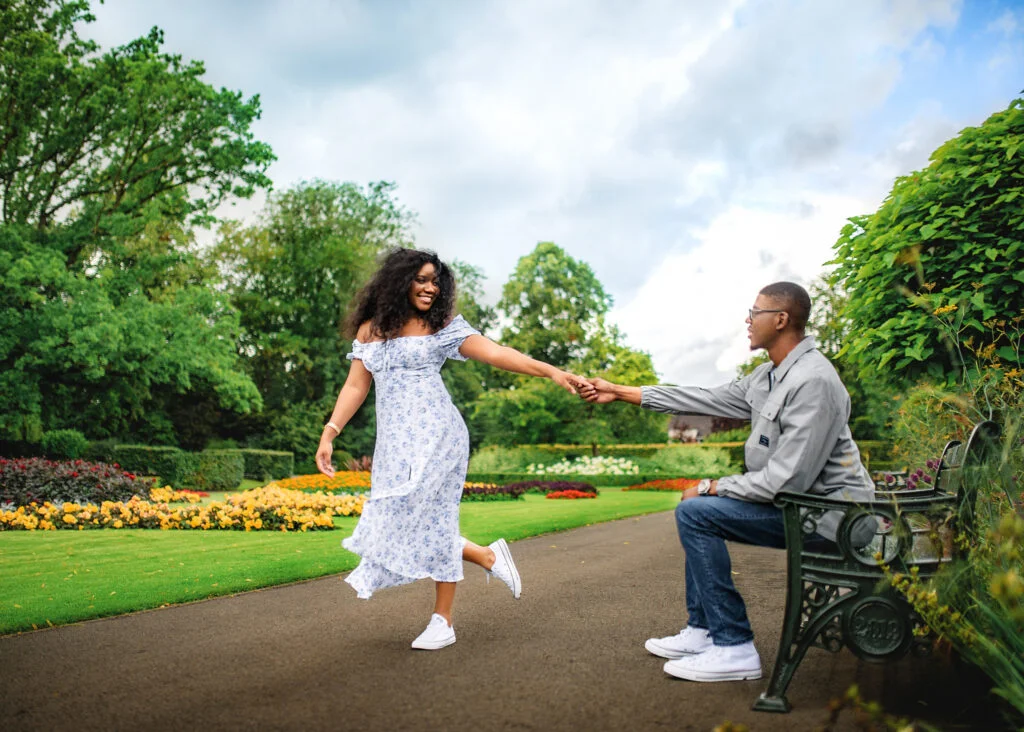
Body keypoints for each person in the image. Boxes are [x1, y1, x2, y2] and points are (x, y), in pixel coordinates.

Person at [579, 281, 873, 682]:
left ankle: (734, 646)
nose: (748, 321)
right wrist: (620, 391)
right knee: (694, 510)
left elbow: (786, 482)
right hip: (800, 510)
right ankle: (703, 631)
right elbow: (701, 398)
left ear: (781, 319)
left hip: (831, 520)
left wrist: (713, 485)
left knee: (698, 511)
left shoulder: (813, 382)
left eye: (755, 313)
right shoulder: (768, 377)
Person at [316, 248, 587, 651]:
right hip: (394, 443)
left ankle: (442, 621)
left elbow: (496, 353)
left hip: (439, 435)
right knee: (405, 520)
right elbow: (357, 385)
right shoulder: (370, 331)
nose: (430, 287)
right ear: (399, 281)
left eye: (435, 280)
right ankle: (486, 558)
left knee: (431, 519)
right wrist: (330, 432)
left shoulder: (439, 326)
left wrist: (551, 371)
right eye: (421, 279)